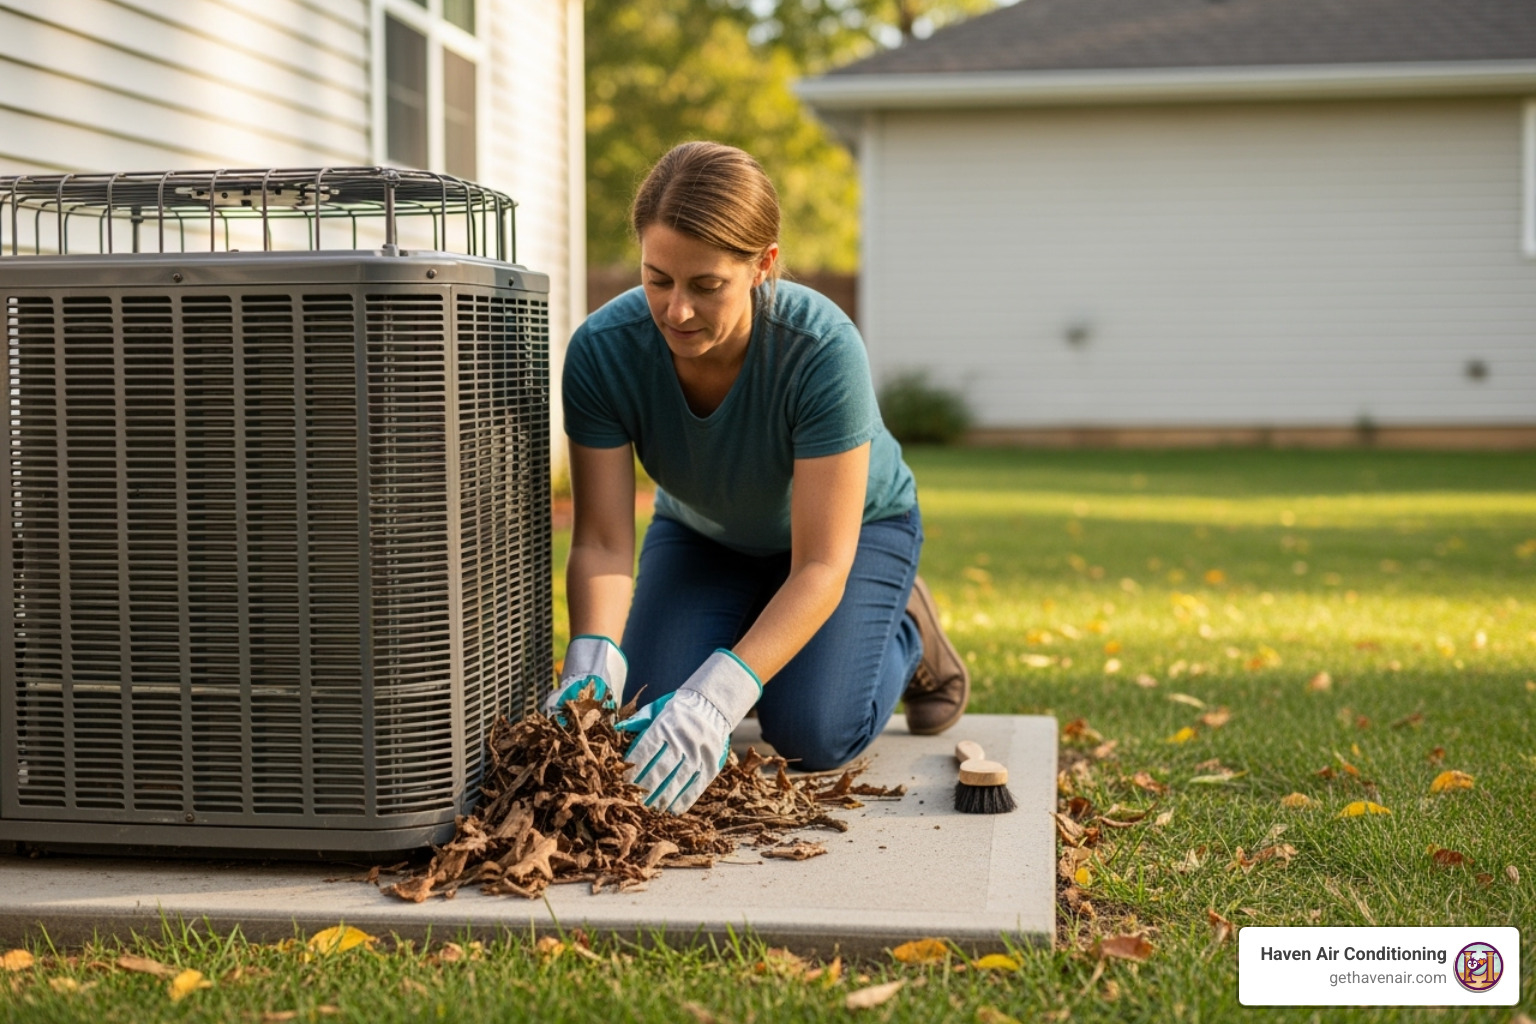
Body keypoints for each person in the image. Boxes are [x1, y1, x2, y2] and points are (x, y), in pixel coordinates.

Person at [543, 141, 968, 814]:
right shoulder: (602, 352)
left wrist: (719, 696)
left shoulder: (819, 349)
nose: (676, 312)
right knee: (644, 710)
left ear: (762, 266)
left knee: (812, 733)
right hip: (706, 533)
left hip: (849, 535)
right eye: (658, 279)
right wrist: (591, 657)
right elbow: (600, 540)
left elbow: (822, 563)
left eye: (706, 285)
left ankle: (906, 627)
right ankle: (764, 627)